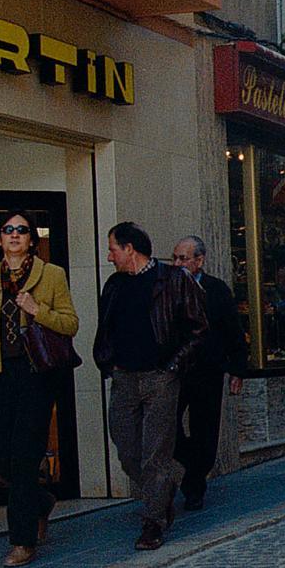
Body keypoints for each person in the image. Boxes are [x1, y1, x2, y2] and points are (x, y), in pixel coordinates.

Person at [0, 210, 79, 568]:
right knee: (5, 461)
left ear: (31, 240)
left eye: (21, 231)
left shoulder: (51, 275)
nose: (14, 236)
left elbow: (70, 324)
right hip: (0, 375)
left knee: (25, 459)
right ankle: (41, 503)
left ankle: (22, 541)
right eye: (7, 230)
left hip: (37, 376)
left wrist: (37, 309)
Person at [93, 222, 208, 551]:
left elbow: (199, 329)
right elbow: (106, 328)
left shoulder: (173, 280)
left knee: (155, 454)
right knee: (126, 449)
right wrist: (108, 362)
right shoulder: (114, 285)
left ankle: (153, 522)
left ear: (130, 249)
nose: (109, 255)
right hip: (124, 377)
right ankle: (170, 481)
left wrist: (173, 366)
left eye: (113, 249)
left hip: (160, 377)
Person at [171, 236, 248, 512]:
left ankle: (194, 485)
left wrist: (237, 369)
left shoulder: (216, 290)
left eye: (183, 258)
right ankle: (190, 464)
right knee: (169, 425)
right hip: (175, 373)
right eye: (175, 258)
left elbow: (233, 331)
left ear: (199, 261)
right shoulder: (167, 288)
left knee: (205, 431)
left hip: (208, 371)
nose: (178, 263)